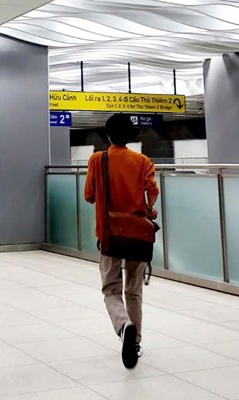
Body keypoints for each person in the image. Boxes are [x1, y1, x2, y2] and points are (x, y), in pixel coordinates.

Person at [84, 114, 159, 369]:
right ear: (131, 136)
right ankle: (135, 340)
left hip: (108, 234)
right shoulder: (143, 161)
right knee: (133, 291)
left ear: (107, 136)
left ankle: (123, 325)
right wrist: (149, 210)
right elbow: (152, 193)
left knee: (111, 290)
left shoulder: (97, 160)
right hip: (137, 234)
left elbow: (89, 196)